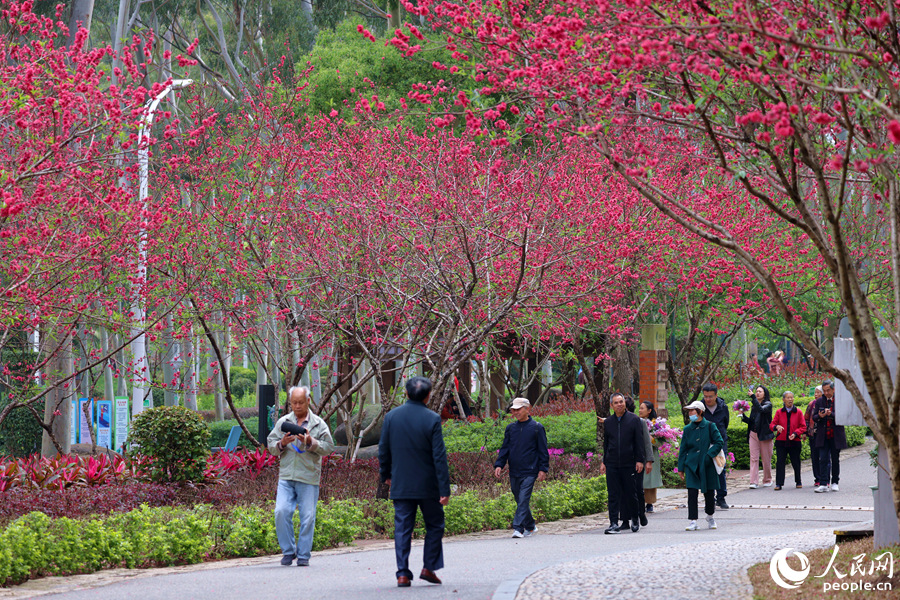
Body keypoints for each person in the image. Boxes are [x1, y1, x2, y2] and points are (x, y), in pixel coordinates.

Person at [378, 376, 451, 587]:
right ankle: (429, 568)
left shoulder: (392, 417)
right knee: (435, 525)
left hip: (401, 483)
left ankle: (402, 573)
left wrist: (387, 476)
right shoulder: (432, 419)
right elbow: (439, 456)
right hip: (428, 485)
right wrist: (444, 488)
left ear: (407, 393)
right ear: (428, 396)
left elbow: (384, 450)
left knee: (402, 528)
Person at [267, 386, 334, 567]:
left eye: (300, 402)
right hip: (287, 475)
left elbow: (329, 447)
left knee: (308, 517)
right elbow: (270, 445)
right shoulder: (283, 422)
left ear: (308, 401)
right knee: (281, 512)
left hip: (308, 476)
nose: (297, 406)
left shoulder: (319, 424)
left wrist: (311, 442)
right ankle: (288, 551)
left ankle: (303, 554)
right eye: (294, 402)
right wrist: (282, 443)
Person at [494, 397, 550, 538]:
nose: (516, 412)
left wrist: (543, 469)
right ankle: (530, 526)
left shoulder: (537, 427)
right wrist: (499, 464)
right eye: (514, 410)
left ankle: (518, 528)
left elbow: (543, 451)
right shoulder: (511, 428)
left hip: (531, 471)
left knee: (524, 498)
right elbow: (505, 448)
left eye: (518, 409)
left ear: (527, 408)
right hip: (514, 470)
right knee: (519, 498)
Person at [599, 393, 645, 534]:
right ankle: (613, 522)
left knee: (631, 493)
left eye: (621, 401)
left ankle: (635, 518)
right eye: (616, 402)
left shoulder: (634, 420)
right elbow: (606, 443)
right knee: (613, 494)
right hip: (612, 463)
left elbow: (639, 442)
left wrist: (640, 460)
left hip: (629, 462)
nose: (619, 404)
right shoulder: (608, 422)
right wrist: (604, 462)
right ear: (612, 406)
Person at [677, 400, 725, 531]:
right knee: (692, 493)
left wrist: (709, 455)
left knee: (710, 493)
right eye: (690, 410)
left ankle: (710, 516)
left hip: (708, 465)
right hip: (691, 465)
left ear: (700, 411)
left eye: (693, 410)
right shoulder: (687, 429)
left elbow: (719, 442)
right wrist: (680, 468)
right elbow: (683, 449)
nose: (690, 413)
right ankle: (693, 520)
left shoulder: (710, 426)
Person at [813, 380, 847, 493]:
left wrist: (830, 414)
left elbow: (843, 416)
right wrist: (820, 415)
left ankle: (835, 482)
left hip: (835, 435)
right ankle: (823, 483)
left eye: (828, 390)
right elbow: (814, 417)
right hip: (823, 435)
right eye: (824, 390)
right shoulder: (819, 401)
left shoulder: (840, 400)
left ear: (833, 389)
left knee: (835, 459)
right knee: (823, 459)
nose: (826, 393)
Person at [701, 383, 730, 509]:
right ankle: (710, 498)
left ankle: (721, 497)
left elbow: (726, 423)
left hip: (720, 442)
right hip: (705, 443)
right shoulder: (700, 408)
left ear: (716, 395)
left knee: (721, 468)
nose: (708, 399)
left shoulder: (723, 407)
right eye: (706, 396)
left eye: (710, 397)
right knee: (707, 470)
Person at [626, 397, 653, 526]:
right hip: (622, 461)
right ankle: (625, 519)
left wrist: (649, 460)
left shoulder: (639, 422)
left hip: (637, 461)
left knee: (638, 489)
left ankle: (641, 514)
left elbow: (647, 442)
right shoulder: (615, 421)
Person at [770, 391, 806, 490]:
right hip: (781, 441)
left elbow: (803, 426)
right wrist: (777, 427)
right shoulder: (779, 412)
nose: (790, 399)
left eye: (792, 397)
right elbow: (771, 425)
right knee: (780, 462)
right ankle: (779, 483)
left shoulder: (798, 412)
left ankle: (798, 481)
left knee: (796, 462)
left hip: (795, 441)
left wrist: (795, 433)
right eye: (788, 397)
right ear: (783, 400)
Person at [740, 384, 774, 488]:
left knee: (766, 458)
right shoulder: (754, 406)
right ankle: (753, 482)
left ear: (765, 394)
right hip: (753, 434)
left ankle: (767, 479)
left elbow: (762, 410)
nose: (757, 393)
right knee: (754, 458)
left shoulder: (768, 404)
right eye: (757, 391)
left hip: (764, 435)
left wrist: (753, 397)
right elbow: (752, 421)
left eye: (760, 391)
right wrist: (742, 416)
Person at [639, 401, 662, 514]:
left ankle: (649, 503)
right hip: (639, 453)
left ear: (649, 411)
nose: (640, 410)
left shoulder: (655, 424)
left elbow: (660, 442)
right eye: (639, 408)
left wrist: (651, 438)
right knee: (641, 478)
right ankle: (640, 502)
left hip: (651, 454)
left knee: (650, 479)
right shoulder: (637, 422)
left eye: (642, 408)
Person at [805, 386, 824, 487]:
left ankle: (824, 478)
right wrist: (805, 432)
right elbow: (806, 419)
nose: (816, 394)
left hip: (824, 434)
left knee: (824, 457)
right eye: (815, 393)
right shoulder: (811, 404)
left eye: (818, 392)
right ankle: (817, 478)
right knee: (815, 456)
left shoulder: (826, 403)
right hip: (813, 434)